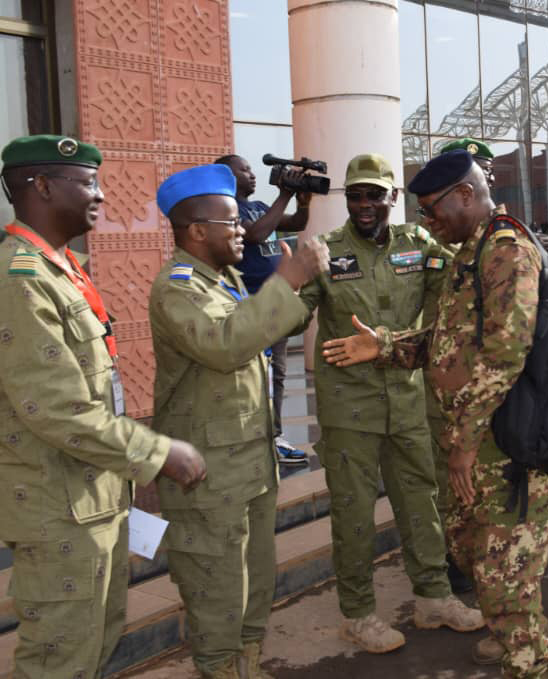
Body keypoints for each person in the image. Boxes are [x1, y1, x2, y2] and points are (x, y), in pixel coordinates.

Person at [322, 150, 548, 677]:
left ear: (465, 195)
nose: (428, 221)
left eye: (433, 209)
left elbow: (505, 352)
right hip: (482, 437)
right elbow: (453, 339)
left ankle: (529, 654)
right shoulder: (471, 253)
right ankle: (513, 629)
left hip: (506, 441)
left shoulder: (504, 251)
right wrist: (385, 345)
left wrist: (464, 443)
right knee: (486, 561)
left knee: (504, 575)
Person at [0, 135, 207, 679]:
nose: (101, 195)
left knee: (93, 646)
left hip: (91, 496)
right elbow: (56, 407)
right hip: (56, 510)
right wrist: (156, 452)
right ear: (42, 186)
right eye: (88, 182)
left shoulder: (60, 267)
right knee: (59, 659)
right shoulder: (19, 278)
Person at [294, 153, 482, 651]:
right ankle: (357, 614)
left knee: (421, 501)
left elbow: (452, 308)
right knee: (354, 513)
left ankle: (433, 598)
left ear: (392, 198)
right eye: (355, 195)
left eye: (374, 194)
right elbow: (293, 317)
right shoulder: (327, 252)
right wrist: (287, 278)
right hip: (348, 409)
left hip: (406, 400)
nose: (364, 205)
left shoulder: (420, 246)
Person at [149, 164, 329, 679]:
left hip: (247, 462)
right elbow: (224, 345)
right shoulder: (177, 286)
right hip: (209, 472)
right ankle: (219, 667)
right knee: (216, 584)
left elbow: (250, 334)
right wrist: (286, 281)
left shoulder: (223, 278)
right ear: (197, 230)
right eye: (231, 223)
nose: (244, 231)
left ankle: (247, 660)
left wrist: (287, 289)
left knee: (254, 578)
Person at [216, 154, 311, 465]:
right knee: (253, 376)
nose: (252, 174)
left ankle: (274, 435)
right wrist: (284, 194)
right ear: (227, 176)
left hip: (275, 303)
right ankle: (253, 438)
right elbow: (255, 234)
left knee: (278, 374)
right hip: (250, 306)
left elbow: (296, 223)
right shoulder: (231, 211)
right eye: (244, 170)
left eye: (251, 168)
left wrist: (303, 199)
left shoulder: (259, 208)